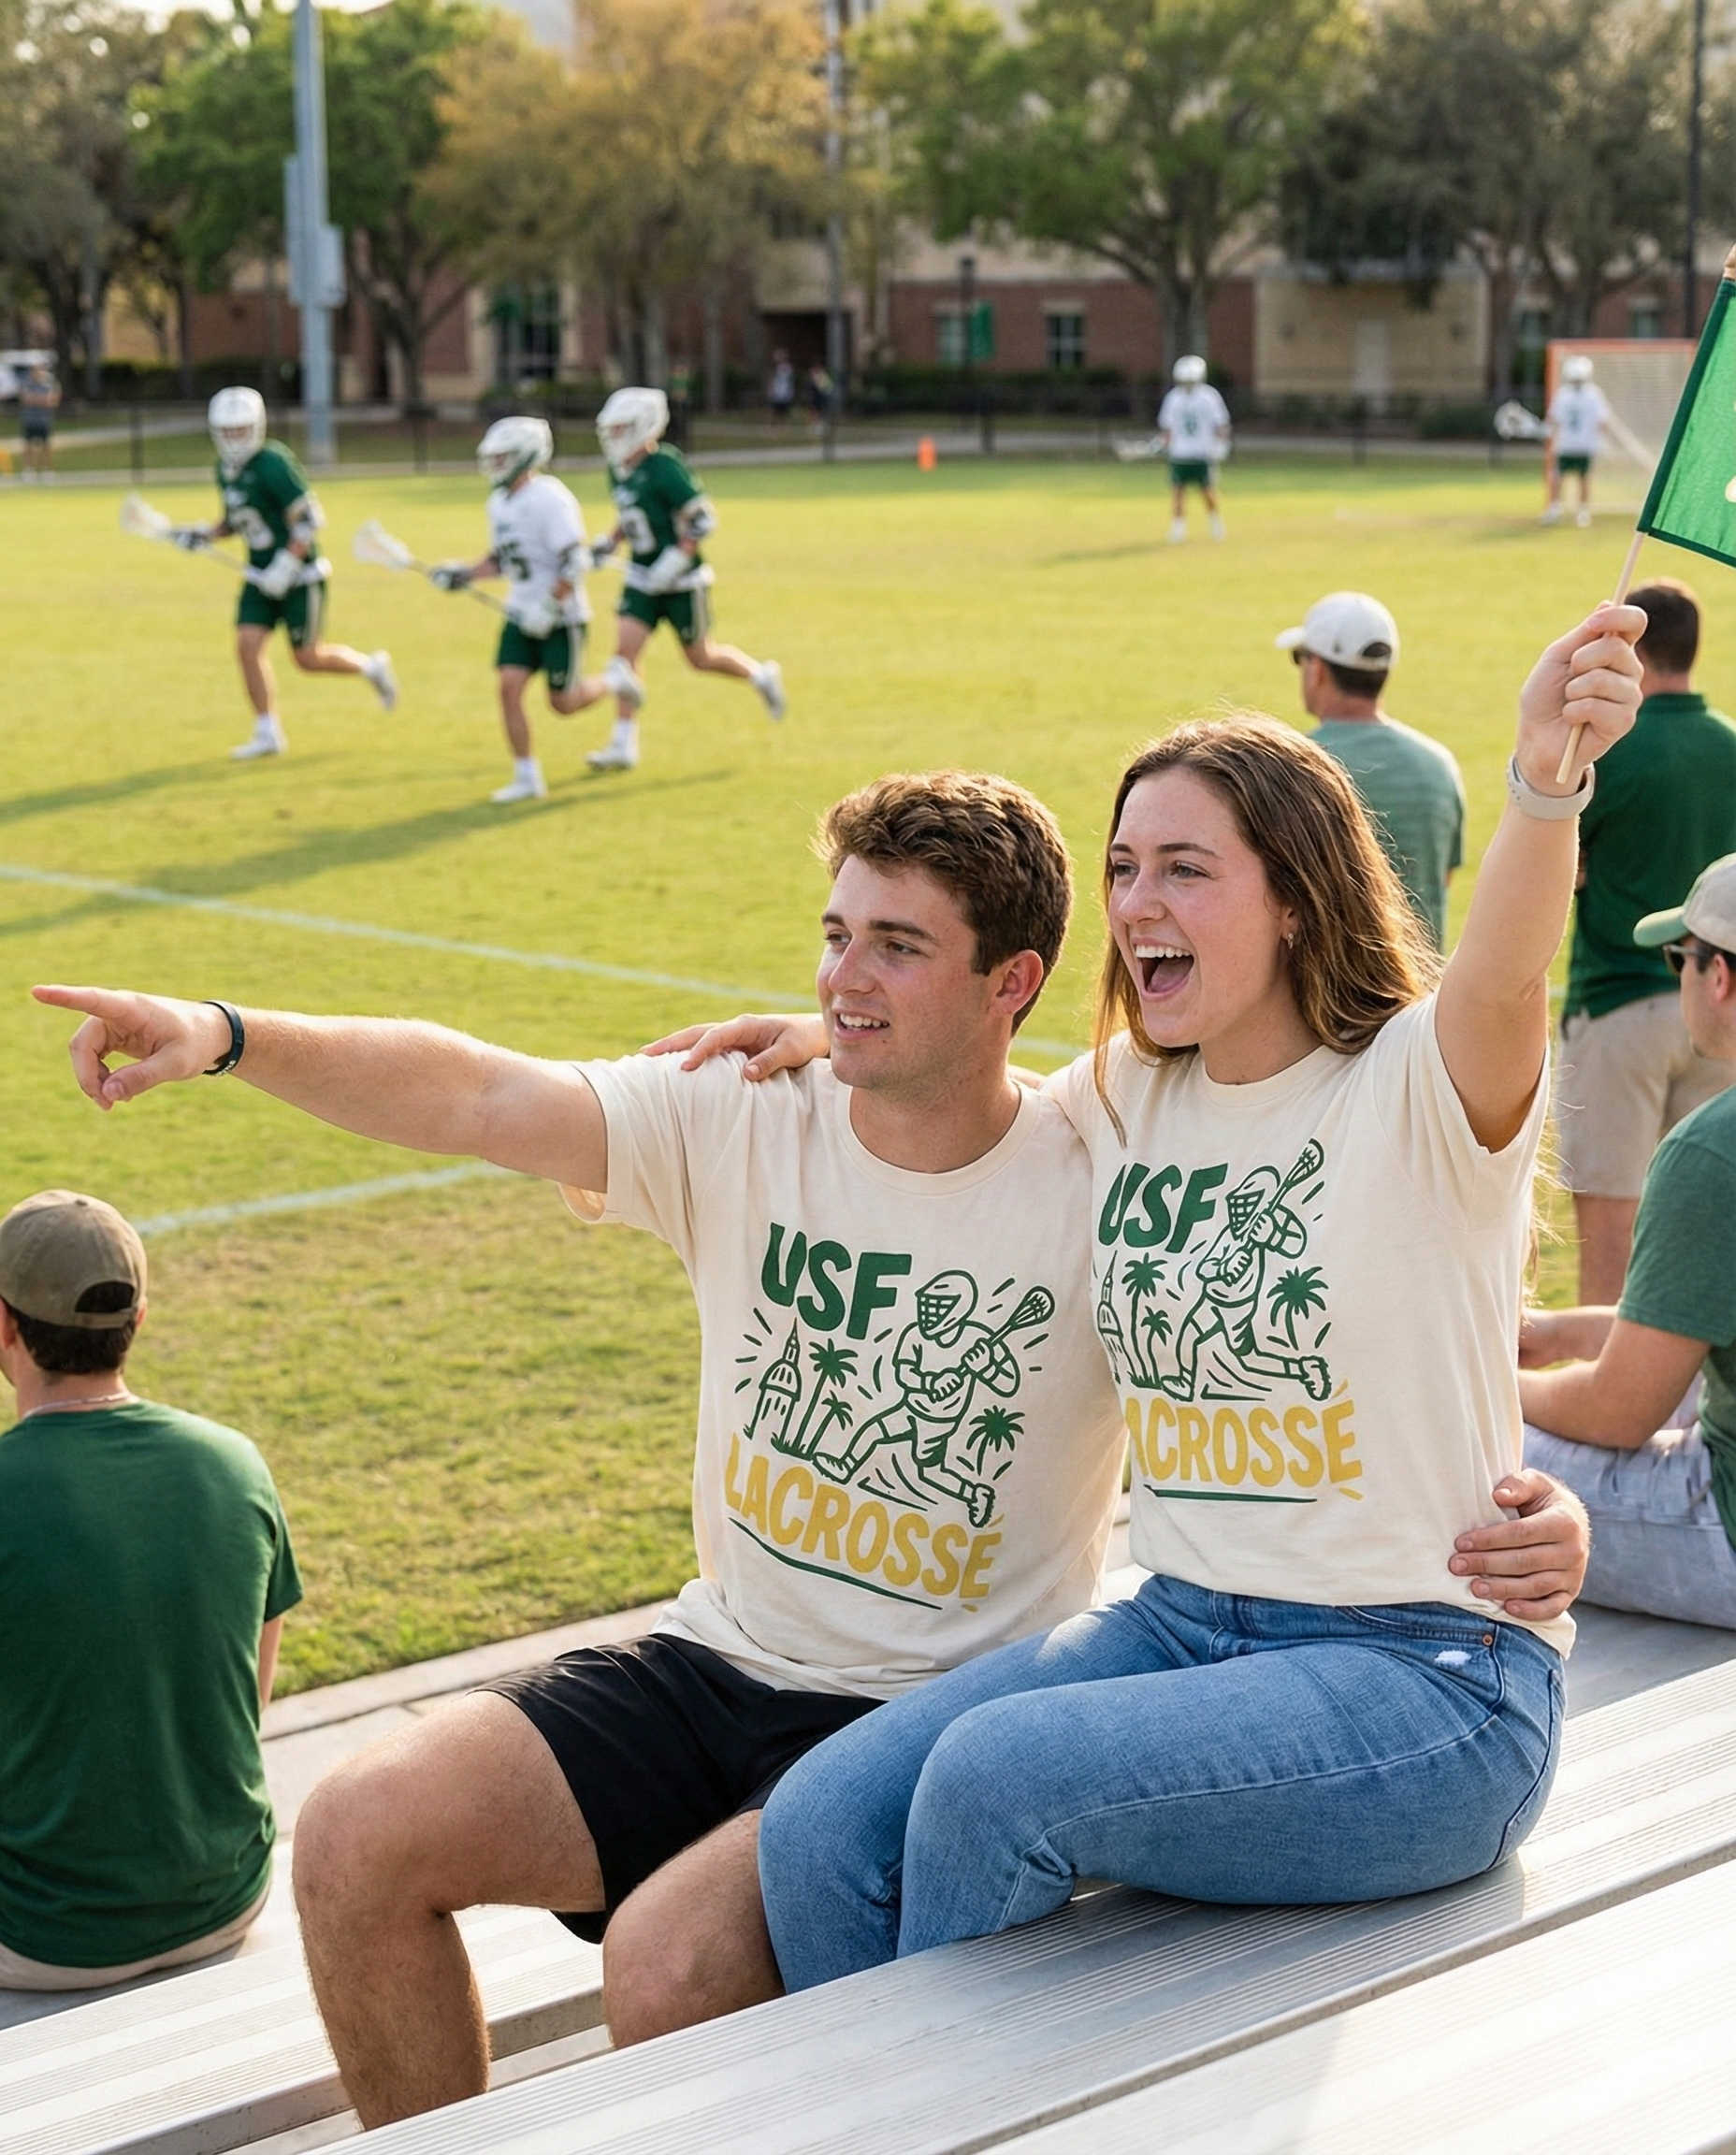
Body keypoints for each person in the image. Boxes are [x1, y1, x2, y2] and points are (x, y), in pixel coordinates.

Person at [30, 774, 1584, 2112]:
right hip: (717, 1657)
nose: (845, 976)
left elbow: (1338, 1311)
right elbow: (473, 1088)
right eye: (836, 934)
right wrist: (227, 1033)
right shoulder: (743, 1112)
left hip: (927, 1695)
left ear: (1011, 982)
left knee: (670, 1960)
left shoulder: (1104, 1152)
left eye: (898, 945)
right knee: (361, 1831)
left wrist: (1526, 1501)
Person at [749, 600, 1642, 1990]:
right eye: (1122, 867)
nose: (1137, 902)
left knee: (995, 1779)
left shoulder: (1419, 1080)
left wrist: (1546, 773)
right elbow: (975, 1096)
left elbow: (1510, 958)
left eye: (1184, 868)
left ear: (1293, 896)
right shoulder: (1125, 1092)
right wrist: (854, 1028)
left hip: (1429, 1675)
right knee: (814, 1826)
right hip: (1181, 1621)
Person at [0, 1189, 300, 1989]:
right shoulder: (235, 1462)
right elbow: (252, 1702)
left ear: (5, 1324)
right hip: (228, 1896)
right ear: (138, 1319)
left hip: (41, 1938)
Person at [1522, 853, 1736, 1631]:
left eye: (1681, 957)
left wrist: (1495, 1385)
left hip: (1725, 1531)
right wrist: (1559, 1332)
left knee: (1465, 1437)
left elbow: (1618, 1413)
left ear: (1719, 978)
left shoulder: (1712, 1152)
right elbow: (1696, 1329)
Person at [1555, 578, 1736, 1303]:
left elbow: (1560, 862)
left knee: (1609, 1230)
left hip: (1619, 1003)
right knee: (1706, 1225)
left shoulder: (1610, 748)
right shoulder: (1729, 745)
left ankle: (1604, 1402)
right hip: (1720, 1006)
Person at [171, 387, 397, 761]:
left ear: (257, 427)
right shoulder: (224, 470)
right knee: (247, 648)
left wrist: (288, 564)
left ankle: (371, 667)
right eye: (227, 431)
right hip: (260, 576)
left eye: (241, 430)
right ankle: (267, 732)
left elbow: (308, 521)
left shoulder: (274, 463)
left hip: (300, 577)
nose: (234, 438)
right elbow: (239, 520)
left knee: (307, 658)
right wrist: (202, 535)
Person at [584, 387, 784, 772]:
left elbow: (701, 518)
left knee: (700, 657)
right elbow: (631, 516)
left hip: (681, 582)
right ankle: (623, 742)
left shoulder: (665, 465)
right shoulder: (618, 469)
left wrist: (678, 558)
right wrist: (608, 543)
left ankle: (761, 676)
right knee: (624, 658)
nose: (612, 437)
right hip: (642, 577)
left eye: (619, 428)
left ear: (642, 426)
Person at [430, 416, 617, 805]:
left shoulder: (550, 498)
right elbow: (502, 560)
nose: (495, 465)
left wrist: (551, 604)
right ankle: (526, 775)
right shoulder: (497, 503)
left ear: (526, 456)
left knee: (562, 703)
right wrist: (463, 575)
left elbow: (575, 562)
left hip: (561, 617)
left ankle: (615, 681)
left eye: (503, 458)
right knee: (508, 688)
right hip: (519, 612)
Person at [1278, 590, 1467, 948]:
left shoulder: (1290, 766)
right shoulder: (1438, 765)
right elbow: (1442, 878)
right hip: (1420, 994)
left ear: (1317, 670)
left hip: (1328, 994)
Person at [1155, 354, 1231, 542]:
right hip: (1180, 454)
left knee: (1207, 491)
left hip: (1202, 453)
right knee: (1177, 492)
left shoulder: (1209, 397)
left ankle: (1215, 524)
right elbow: (1167, 427)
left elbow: (1221, 424)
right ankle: (1178, 529)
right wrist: (1162, 443)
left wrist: (1222, 444)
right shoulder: (1173, 398)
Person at [1541, 354, 1612, 528]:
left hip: (1569, 444)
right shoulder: (1591, 394)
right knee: (1578, 478)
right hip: (1578, 444)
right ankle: (1575, 511)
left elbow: (1553, 420)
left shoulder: (1565, 394)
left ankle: (1560, 510)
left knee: (1566, 478)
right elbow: (1602, 422)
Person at [18, 363, 58, 480]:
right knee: (28, 445)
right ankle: (28, 471)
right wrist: (41, 399)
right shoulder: (26, 382)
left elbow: (52, 400)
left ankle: (47, 470)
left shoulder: (49, 383)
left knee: (46, 445)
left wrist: (36, 399)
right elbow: (26, 399)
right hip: (29, 419)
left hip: (44, 420)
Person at [768, 350, 796, 428]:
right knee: (774, 411)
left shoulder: (786, 368)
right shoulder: (778, 368)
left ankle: (786, 426)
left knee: (783, 412)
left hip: (784, 394)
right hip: (777, 393)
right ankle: (773, 426)